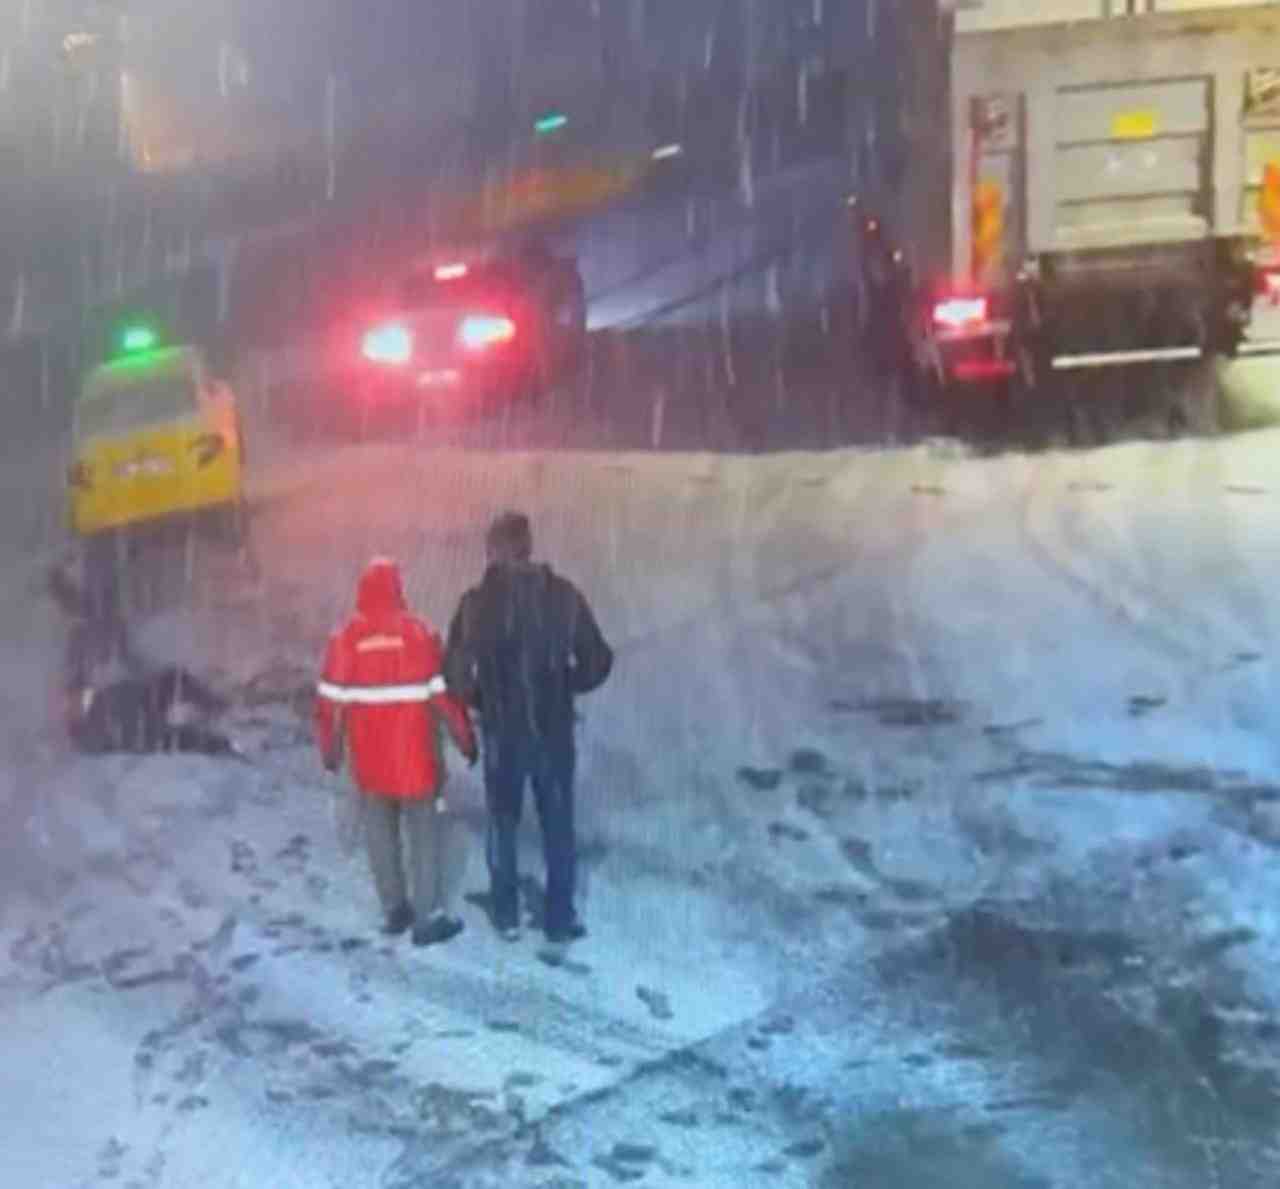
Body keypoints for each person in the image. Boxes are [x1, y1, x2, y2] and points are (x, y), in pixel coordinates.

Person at [445, 511, 613, 944]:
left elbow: (457, 677)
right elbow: (598, 660)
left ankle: (505, 914)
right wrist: (565, 685)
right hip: (553, 731)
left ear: (495, 550)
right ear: (529, 546)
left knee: (502, 821)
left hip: (503, 733)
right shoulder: (565, 597)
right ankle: (559, 916)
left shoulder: (474, 604)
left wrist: (483, 698)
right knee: (558, 823)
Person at [315, 557, 477, 946]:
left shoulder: (345, 640)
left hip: (370, 763)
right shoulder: (419, 634)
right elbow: (443, 699)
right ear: (397, 590)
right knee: (422, 834)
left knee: (379, 833)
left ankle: (394, 909)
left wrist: (330, 749)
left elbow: (327, 705)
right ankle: (427, 919)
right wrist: (464, 738)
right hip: (415, 760)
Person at [48, 562, 237, 757]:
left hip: (130, 704)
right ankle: (216, 742)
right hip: (114, 722)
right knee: (174, 735)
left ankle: (221, 710)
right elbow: (76, 704)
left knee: (174, 680)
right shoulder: (80, 644)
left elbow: (138, 667)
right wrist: (93, 724)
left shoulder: (112, 633)